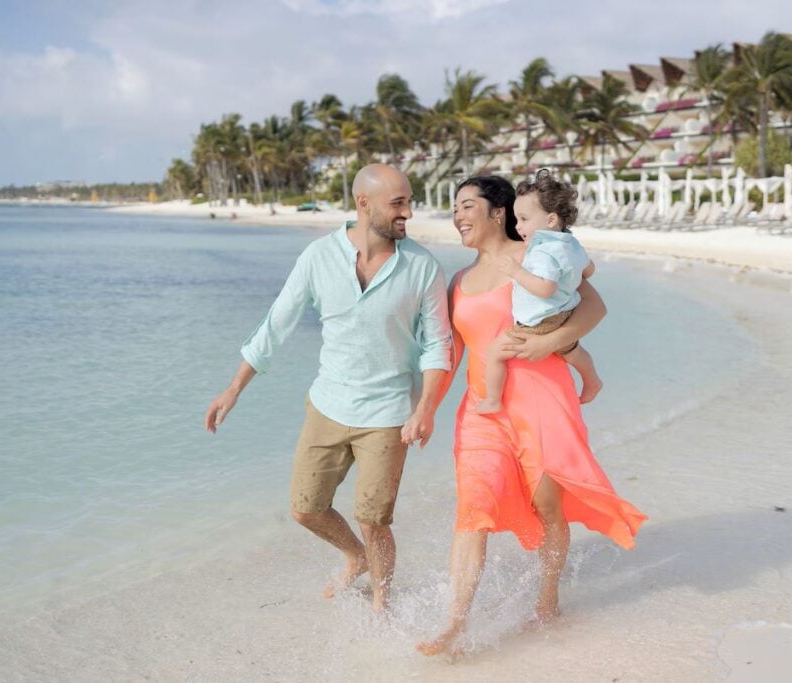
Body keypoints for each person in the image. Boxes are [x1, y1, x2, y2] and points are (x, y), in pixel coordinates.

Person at [204, 164, 452, 613]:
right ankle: (354, 557)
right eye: (399, 203)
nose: (408, 212)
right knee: (305, 508)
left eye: (408, 202)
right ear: (364, 203)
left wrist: (426, 409)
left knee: (374, 519)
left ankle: (382, 601)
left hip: (389, 412)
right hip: (328, 405)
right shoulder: (318, 256)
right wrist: (233, 388)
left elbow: (439, 345)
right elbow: (276, 323)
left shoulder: (421, 266)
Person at [418, 175, 646, 655]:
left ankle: (547, 600)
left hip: (541, 400)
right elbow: (449, 354)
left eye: (465, 206)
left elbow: (594, 305)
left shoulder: (535, 255)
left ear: (497, 213)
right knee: (473, 508)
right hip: (483, 408)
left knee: (547, 507)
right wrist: (425, 409)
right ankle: (454, 622)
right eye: (453, 208)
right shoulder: (458, 282)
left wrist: (548, 342)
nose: (456, 216)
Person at [474, 169, 602, 415]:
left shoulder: (543, 250)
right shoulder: (571, 243)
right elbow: (590, 270)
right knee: (571, 349)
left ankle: (492, 399)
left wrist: (516, 271)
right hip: (565, 311)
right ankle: (592, 380)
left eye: (523, 219)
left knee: (495, 351)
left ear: (550, 220)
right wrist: (571, 274)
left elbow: (545, 288)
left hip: (541, 318)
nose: (518, 226)